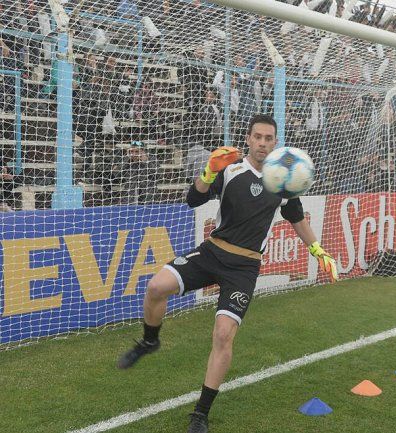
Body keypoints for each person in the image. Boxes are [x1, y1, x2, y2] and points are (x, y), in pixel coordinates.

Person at [116, 114, 339, 433]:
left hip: (244, 267)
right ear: (248, 138)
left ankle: (200, 413)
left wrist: (318, 251)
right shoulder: (231, 168)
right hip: (212, 252)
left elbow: (297, 218)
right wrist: (209, 169)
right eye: (257, 137)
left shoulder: (282, 178)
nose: (263, 143)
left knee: (223, 335)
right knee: (155, 287)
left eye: (268, 138)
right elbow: (193, 199)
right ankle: (150, 342)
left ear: (275, 142)